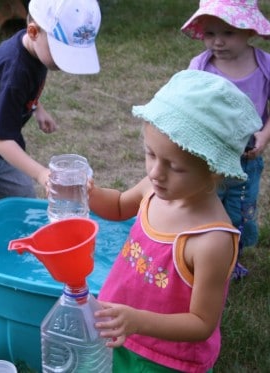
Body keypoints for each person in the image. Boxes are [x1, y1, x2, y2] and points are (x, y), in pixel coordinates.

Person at [89, 70, 262, 372]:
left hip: (168, 360)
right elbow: (117, 206)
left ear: (214, 170)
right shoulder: (153, 189)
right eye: (150, 154)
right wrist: (86, 192)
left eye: (174, 166)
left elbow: (201, 323)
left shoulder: (210, 240)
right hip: (123, 333)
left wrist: (138, 321)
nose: (156, 172)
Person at [0, 0, 102, 230]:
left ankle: (7, 242)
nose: (63, 63)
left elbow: (21, 93)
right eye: (60, 52)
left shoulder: (34, 52)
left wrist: (37, 108)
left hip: (2, 144)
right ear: (33, 32)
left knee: (21, 200)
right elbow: (0, 139)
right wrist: (42, 173)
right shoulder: (13, 70)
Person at [181, 0, 270, 279]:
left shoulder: (265, 65)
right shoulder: (201, 66)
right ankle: (202, 257)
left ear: (249, 31)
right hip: (207, 159)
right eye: (210, 34)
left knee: (240, 208)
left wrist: (264, 136)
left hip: (246, 158)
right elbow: (186, 107)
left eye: (228, 33)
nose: (217, 42)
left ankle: (232, 256)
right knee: (206, 204)